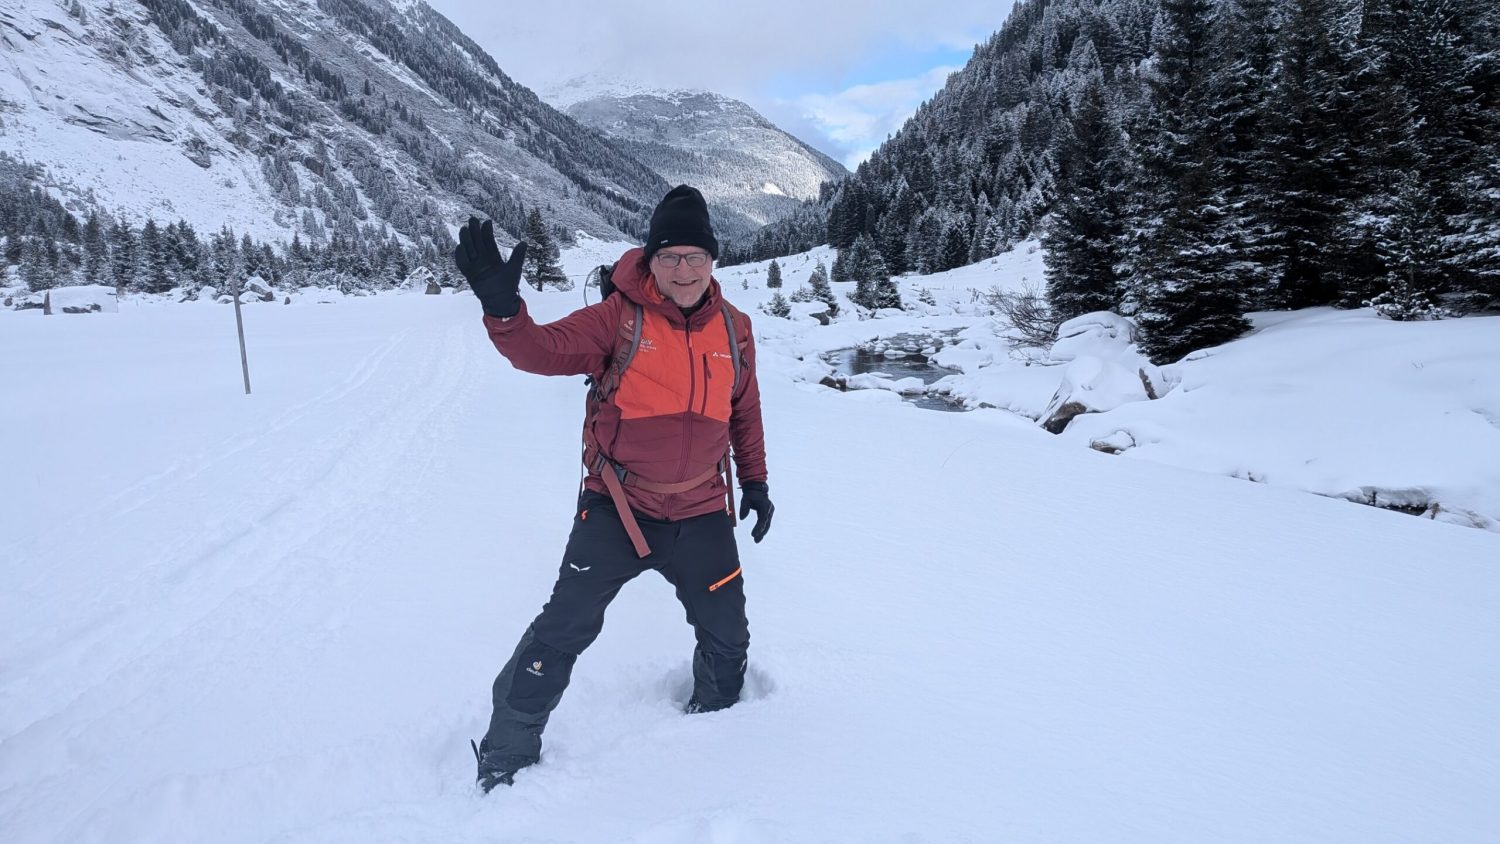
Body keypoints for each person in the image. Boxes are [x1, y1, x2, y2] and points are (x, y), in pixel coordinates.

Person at [453, 185, 775, 792]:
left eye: (695, 257)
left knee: (727, 633)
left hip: (702, 508)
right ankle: (506, 753)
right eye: (669, 256)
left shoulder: (736, 329)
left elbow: (744, 410)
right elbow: (541, 350)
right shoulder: (618, 318)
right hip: (618, 509)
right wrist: (503, 310)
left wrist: (754, 481)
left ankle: (719, 730)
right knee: (563, 629)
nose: (684, 270)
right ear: (650, 259)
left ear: (713, 260)